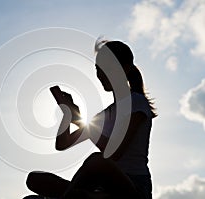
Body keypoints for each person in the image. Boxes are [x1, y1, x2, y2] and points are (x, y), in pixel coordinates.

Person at [24, 40, 157, 199]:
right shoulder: (105, 115)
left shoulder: (136, 102)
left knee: (96, 161)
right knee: (35, 179)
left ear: (125, 68)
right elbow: (62, 143)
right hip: (102, 187)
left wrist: (86, 127)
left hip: (134, 188)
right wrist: (67, 115)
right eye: (98, 68)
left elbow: (114, 153)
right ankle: (78, 195)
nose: (101, 73)